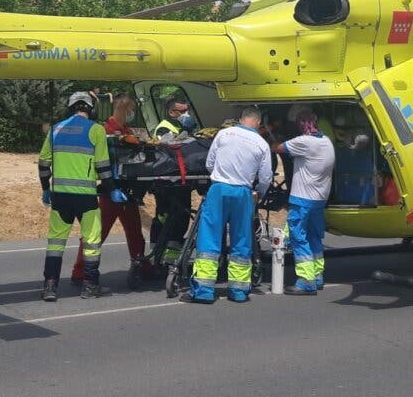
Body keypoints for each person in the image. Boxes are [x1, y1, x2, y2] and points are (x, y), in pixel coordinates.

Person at [38, 91, 126, 301]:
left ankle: (50, 287)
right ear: (90, 108)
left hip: (60, 196)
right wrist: (112, 188)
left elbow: (43, 164)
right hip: (86, 197)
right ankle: (90, 286)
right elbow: (103, 167)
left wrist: (45, 188)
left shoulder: (55, 129)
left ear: (70, 107)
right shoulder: (96, 130)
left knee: (56, 242)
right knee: (92, 241)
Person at [182, 106, 272, 305]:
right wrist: (259, 194)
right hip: (243, 193)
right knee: (242, 240)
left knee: (209, 238)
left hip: (219, 189)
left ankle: (203, 290)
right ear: (258, 122)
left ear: (242, 119)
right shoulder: (261, 143)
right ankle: (238, 291)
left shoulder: (224, 134)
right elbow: (266, 177)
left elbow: (210, 163)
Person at [69, 93, 152, 289]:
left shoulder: (125, 129)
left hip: (125, 189)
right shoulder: (107, 130)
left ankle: (141, 265)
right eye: (131, 110)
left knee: (134, 232)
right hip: (111, 189)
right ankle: (79, 271)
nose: (133, 113)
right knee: (99, 233)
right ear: (125, 110)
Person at [272, 110, 335, 295]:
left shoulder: (304, 142)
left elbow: (278, 148)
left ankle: (306, 280)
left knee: (298, 236)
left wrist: (271, 135)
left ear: (300, 125)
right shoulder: (327, 142)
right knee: (314, 237)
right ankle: (317, 275)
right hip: (319, 199)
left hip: (302, 198)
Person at [149, 95, 196, 273]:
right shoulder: (164, 128)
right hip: (168, 182)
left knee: (181, 217)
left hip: (181, 180)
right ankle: (158, 256)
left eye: (187, 110)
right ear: (171, 112)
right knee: (166, 217)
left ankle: (171, 259)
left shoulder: (182, 126)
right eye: (182, 111)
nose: (186, 114)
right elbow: (168, 148)